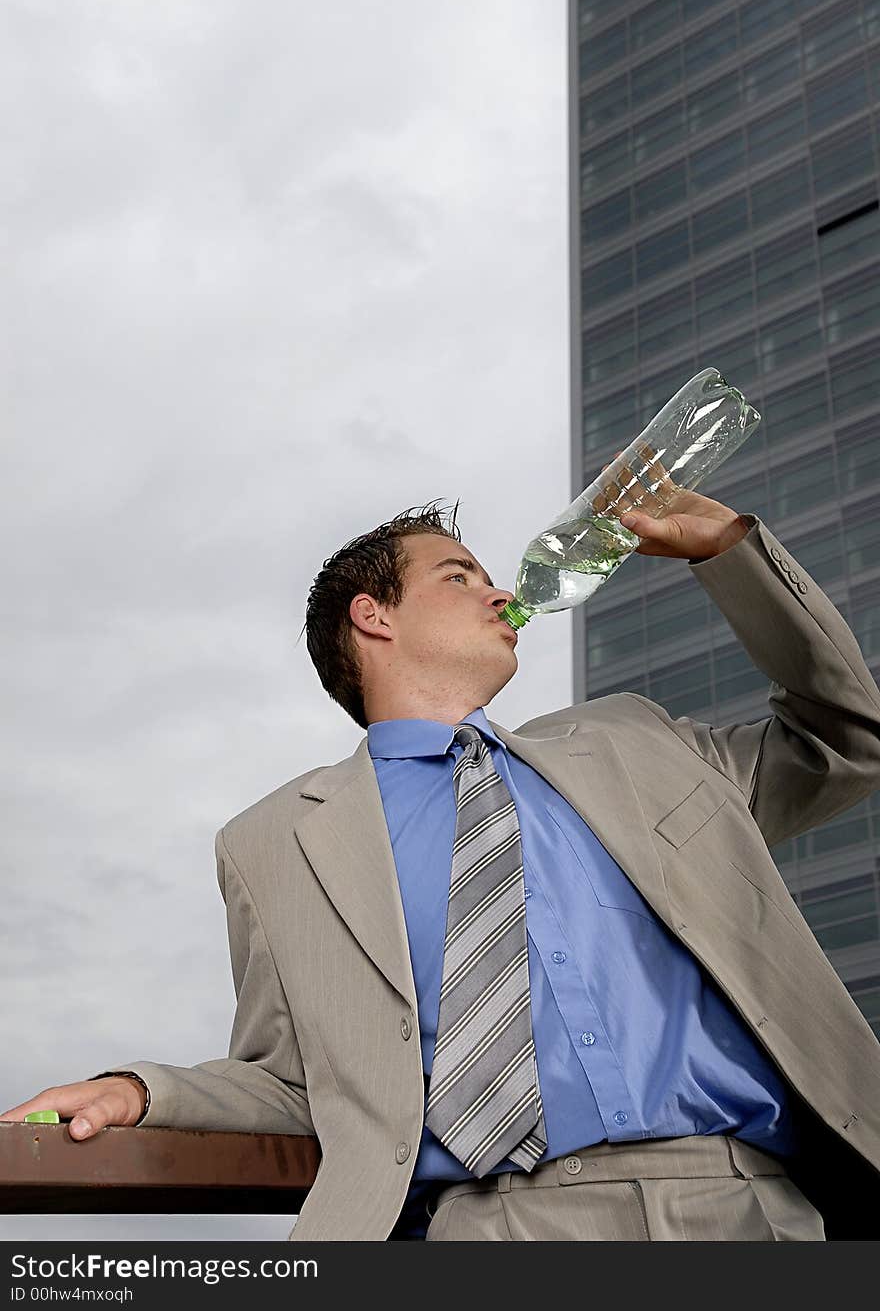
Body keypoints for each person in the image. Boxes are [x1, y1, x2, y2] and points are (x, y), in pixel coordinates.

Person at [3, 484, 880, 1241]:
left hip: (745, 1204)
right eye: (458, 575)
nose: (500, 591)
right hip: (481, 1226)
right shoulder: (273, 840)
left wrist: (729, 551)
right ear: (372, 615)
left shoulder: (634, 738)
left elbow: (847, 736)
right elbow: (293, 1082)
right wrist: (139, 1091)